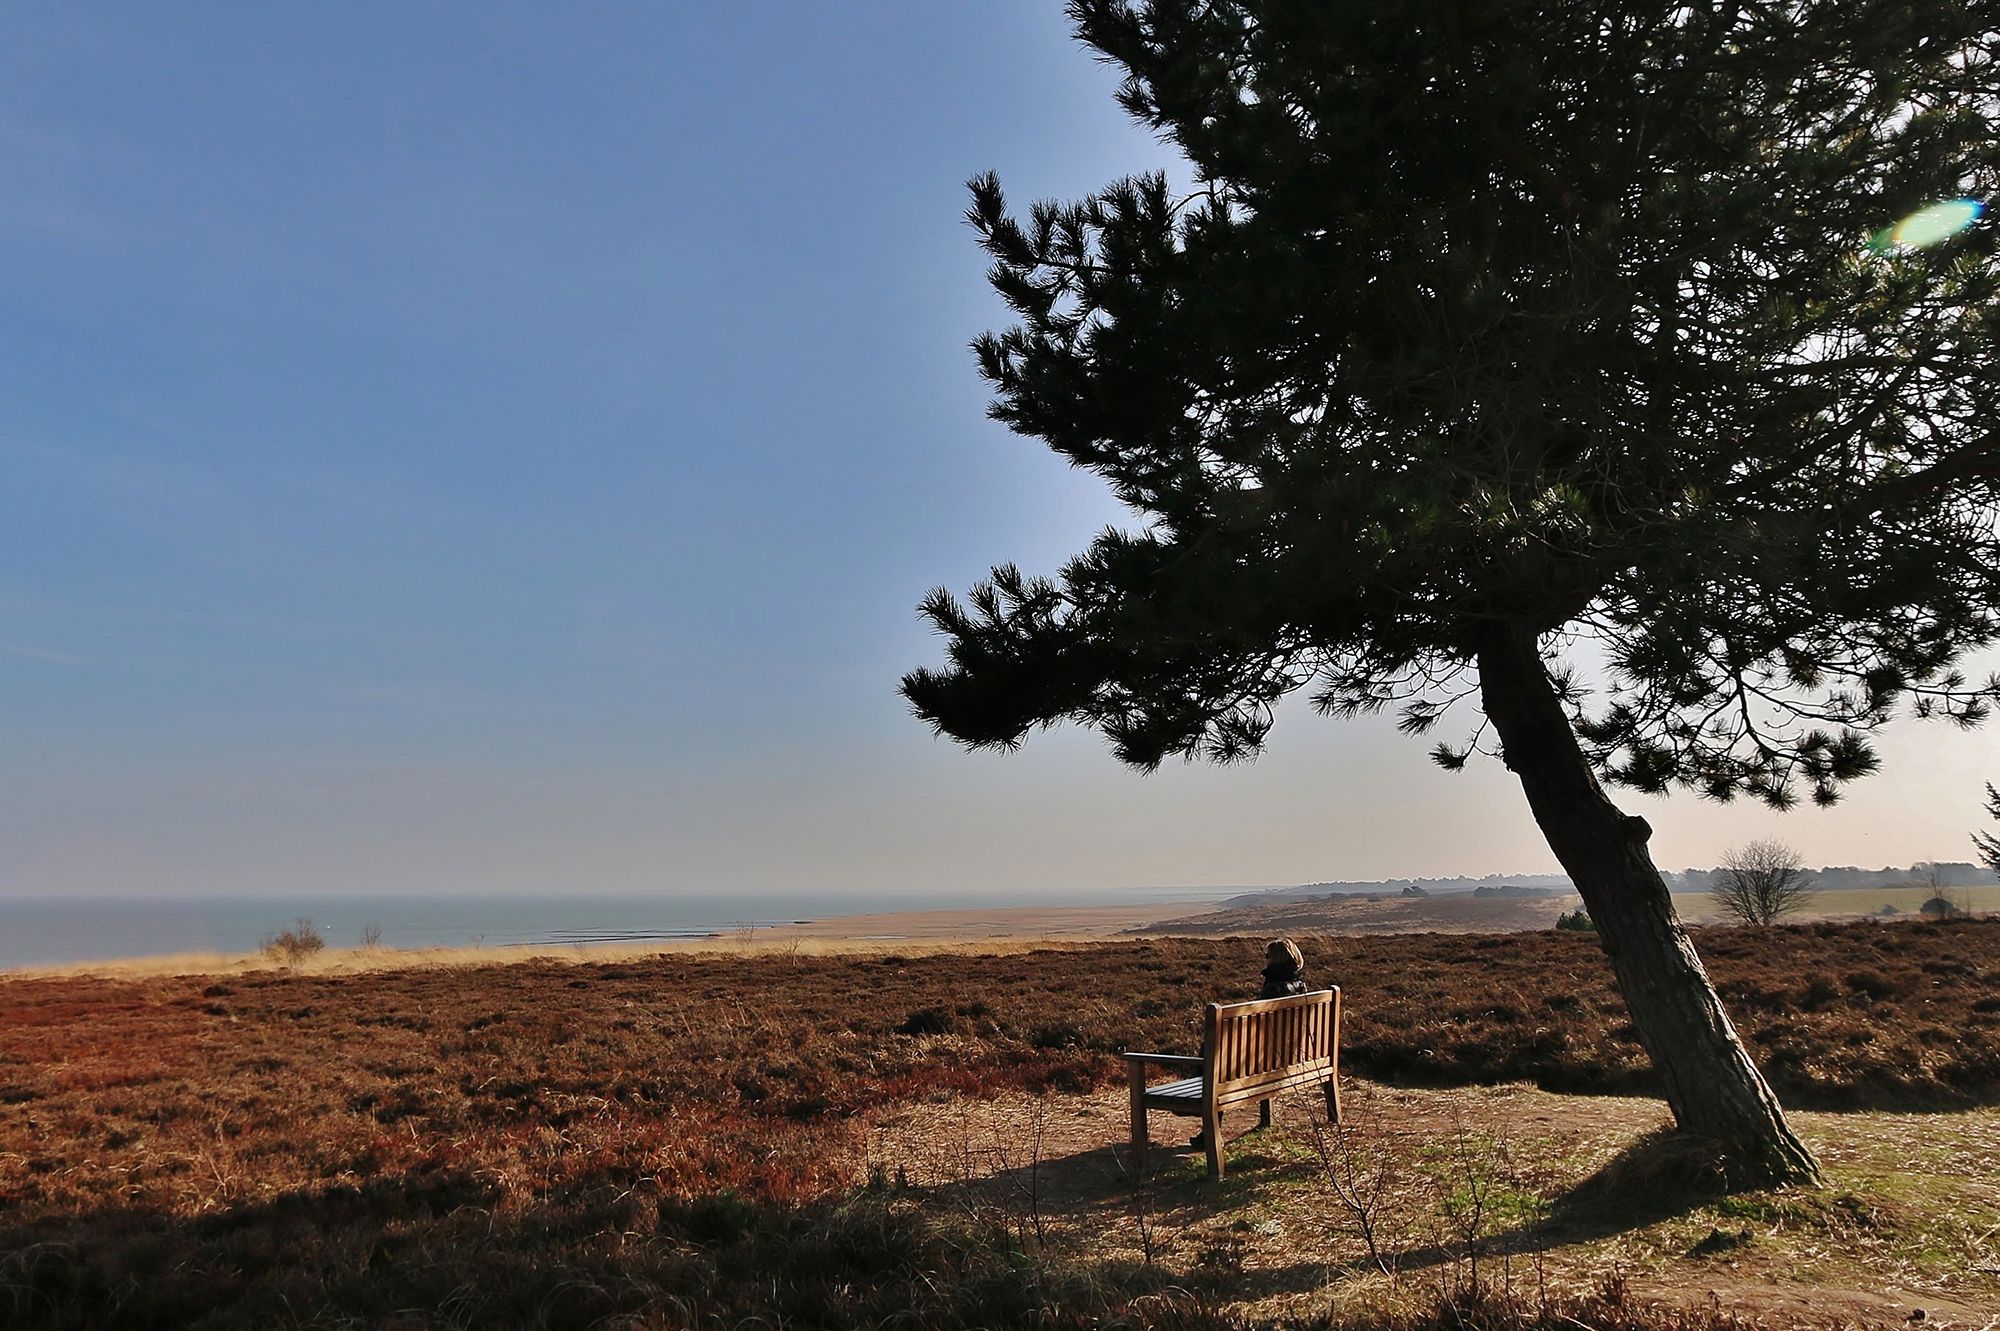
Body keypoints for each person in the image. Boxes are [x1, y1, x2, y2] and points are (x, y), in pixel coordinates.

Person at [1187, 938, 1313, 1150]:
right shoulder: (1300, 986)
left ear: (1276, 959)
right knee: (1219, 1054)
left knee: (1219, 1060)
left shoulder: (1274, 988)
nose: (1265, 960)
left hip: (1264, 1063)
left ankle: (1205, 1117)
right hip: (1292, 1057)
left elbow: (1259, 1028)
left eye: (1267, 956)